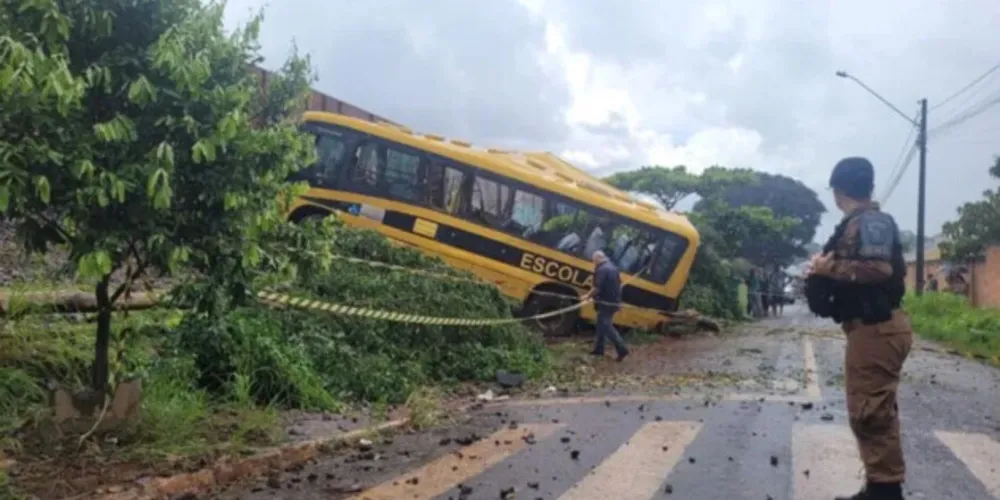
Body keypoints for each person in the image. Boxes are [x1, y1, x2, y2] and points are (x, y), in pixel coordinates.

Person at [807, 157, 911, 500]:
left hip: (877, 328)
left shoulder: (872, 221)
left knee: (871, 411)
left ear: (838, 192)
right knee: (869, 408)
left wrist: (827, 267)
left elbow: (878, 270)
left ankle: (886, 491)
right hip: (870, 329)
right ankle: (879, 485)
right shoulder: (859, 223)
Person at [582, 250, 629, 362]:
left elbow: (597, 287)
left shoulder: (603, 269)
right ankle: (599, 349)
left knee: (606, 326)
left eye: (594, 261)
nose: (594, 263)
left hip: (606, 302)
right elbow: (619, 285)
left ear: (598, 258)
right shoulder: (613, 267)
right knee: (600, 324)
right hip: (613, 301)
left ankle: (622, 349)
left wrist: (586, 296)